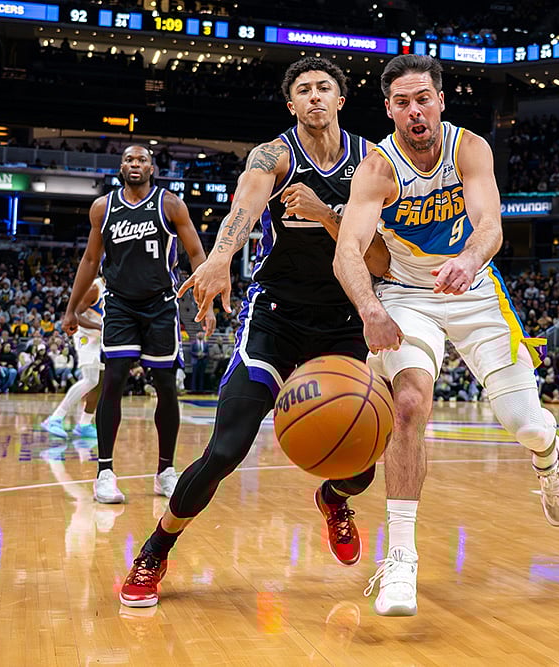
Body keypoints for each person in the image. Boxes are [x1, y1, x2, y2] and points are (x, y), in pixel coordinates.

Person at [118, 57, 390, 608]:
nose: (314, 97)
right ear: (292, 105)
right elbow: (243, 208)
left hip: (342, 322)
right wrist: (220, 258)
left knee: (361, 465)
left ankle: (333, 499)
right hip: (276, 319)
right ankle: (155, 549)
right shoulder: (274, 154)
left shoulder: (374, 162)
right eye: (303, 90)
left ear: (341, 100)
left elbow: (380, 260)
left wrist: (324, 214)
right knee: (225, 450)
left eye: (324, 89)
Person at [333, 54, 559, 617]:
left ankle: (547, 452)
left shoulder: (471, 148)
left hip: (474, 288)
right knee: (410, 404)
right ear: (388, 108)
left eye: (423, 99)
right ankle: (400, 560)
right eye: (401, 102)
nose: (414, 111)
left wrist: (468, 260)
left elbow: (490, 225)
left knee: (523, 423)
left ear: (441, 101)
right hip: (405, 294)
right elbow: (348, 252)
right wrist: (369, 308)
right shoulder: (376, 169)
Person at [62, 145, 207, 504]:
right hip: (121, 306)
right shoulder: (103, 207)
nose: (135, 164)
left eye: (141, 159)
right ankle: (105, 473)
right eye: (129, 159)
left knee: (166, 387)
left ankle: (165, 472)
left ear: (152, 167)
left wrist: (205, 298)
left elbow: (196, 254)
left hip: (160, 306)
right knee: (111, 382)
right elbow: (91, 259)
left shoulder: (170, 204)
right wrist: (70, 309)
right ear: (121, 167)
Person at [42, 276, 105, 439]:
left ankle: (84, 424)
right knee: (91, 379)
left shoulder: (120, 287)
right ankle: (55, 418)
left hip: (102, 337)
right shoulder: (95, 288)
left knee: (100, 382)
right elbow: (75, 314)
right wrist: (100, 327)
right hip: (85, 335)